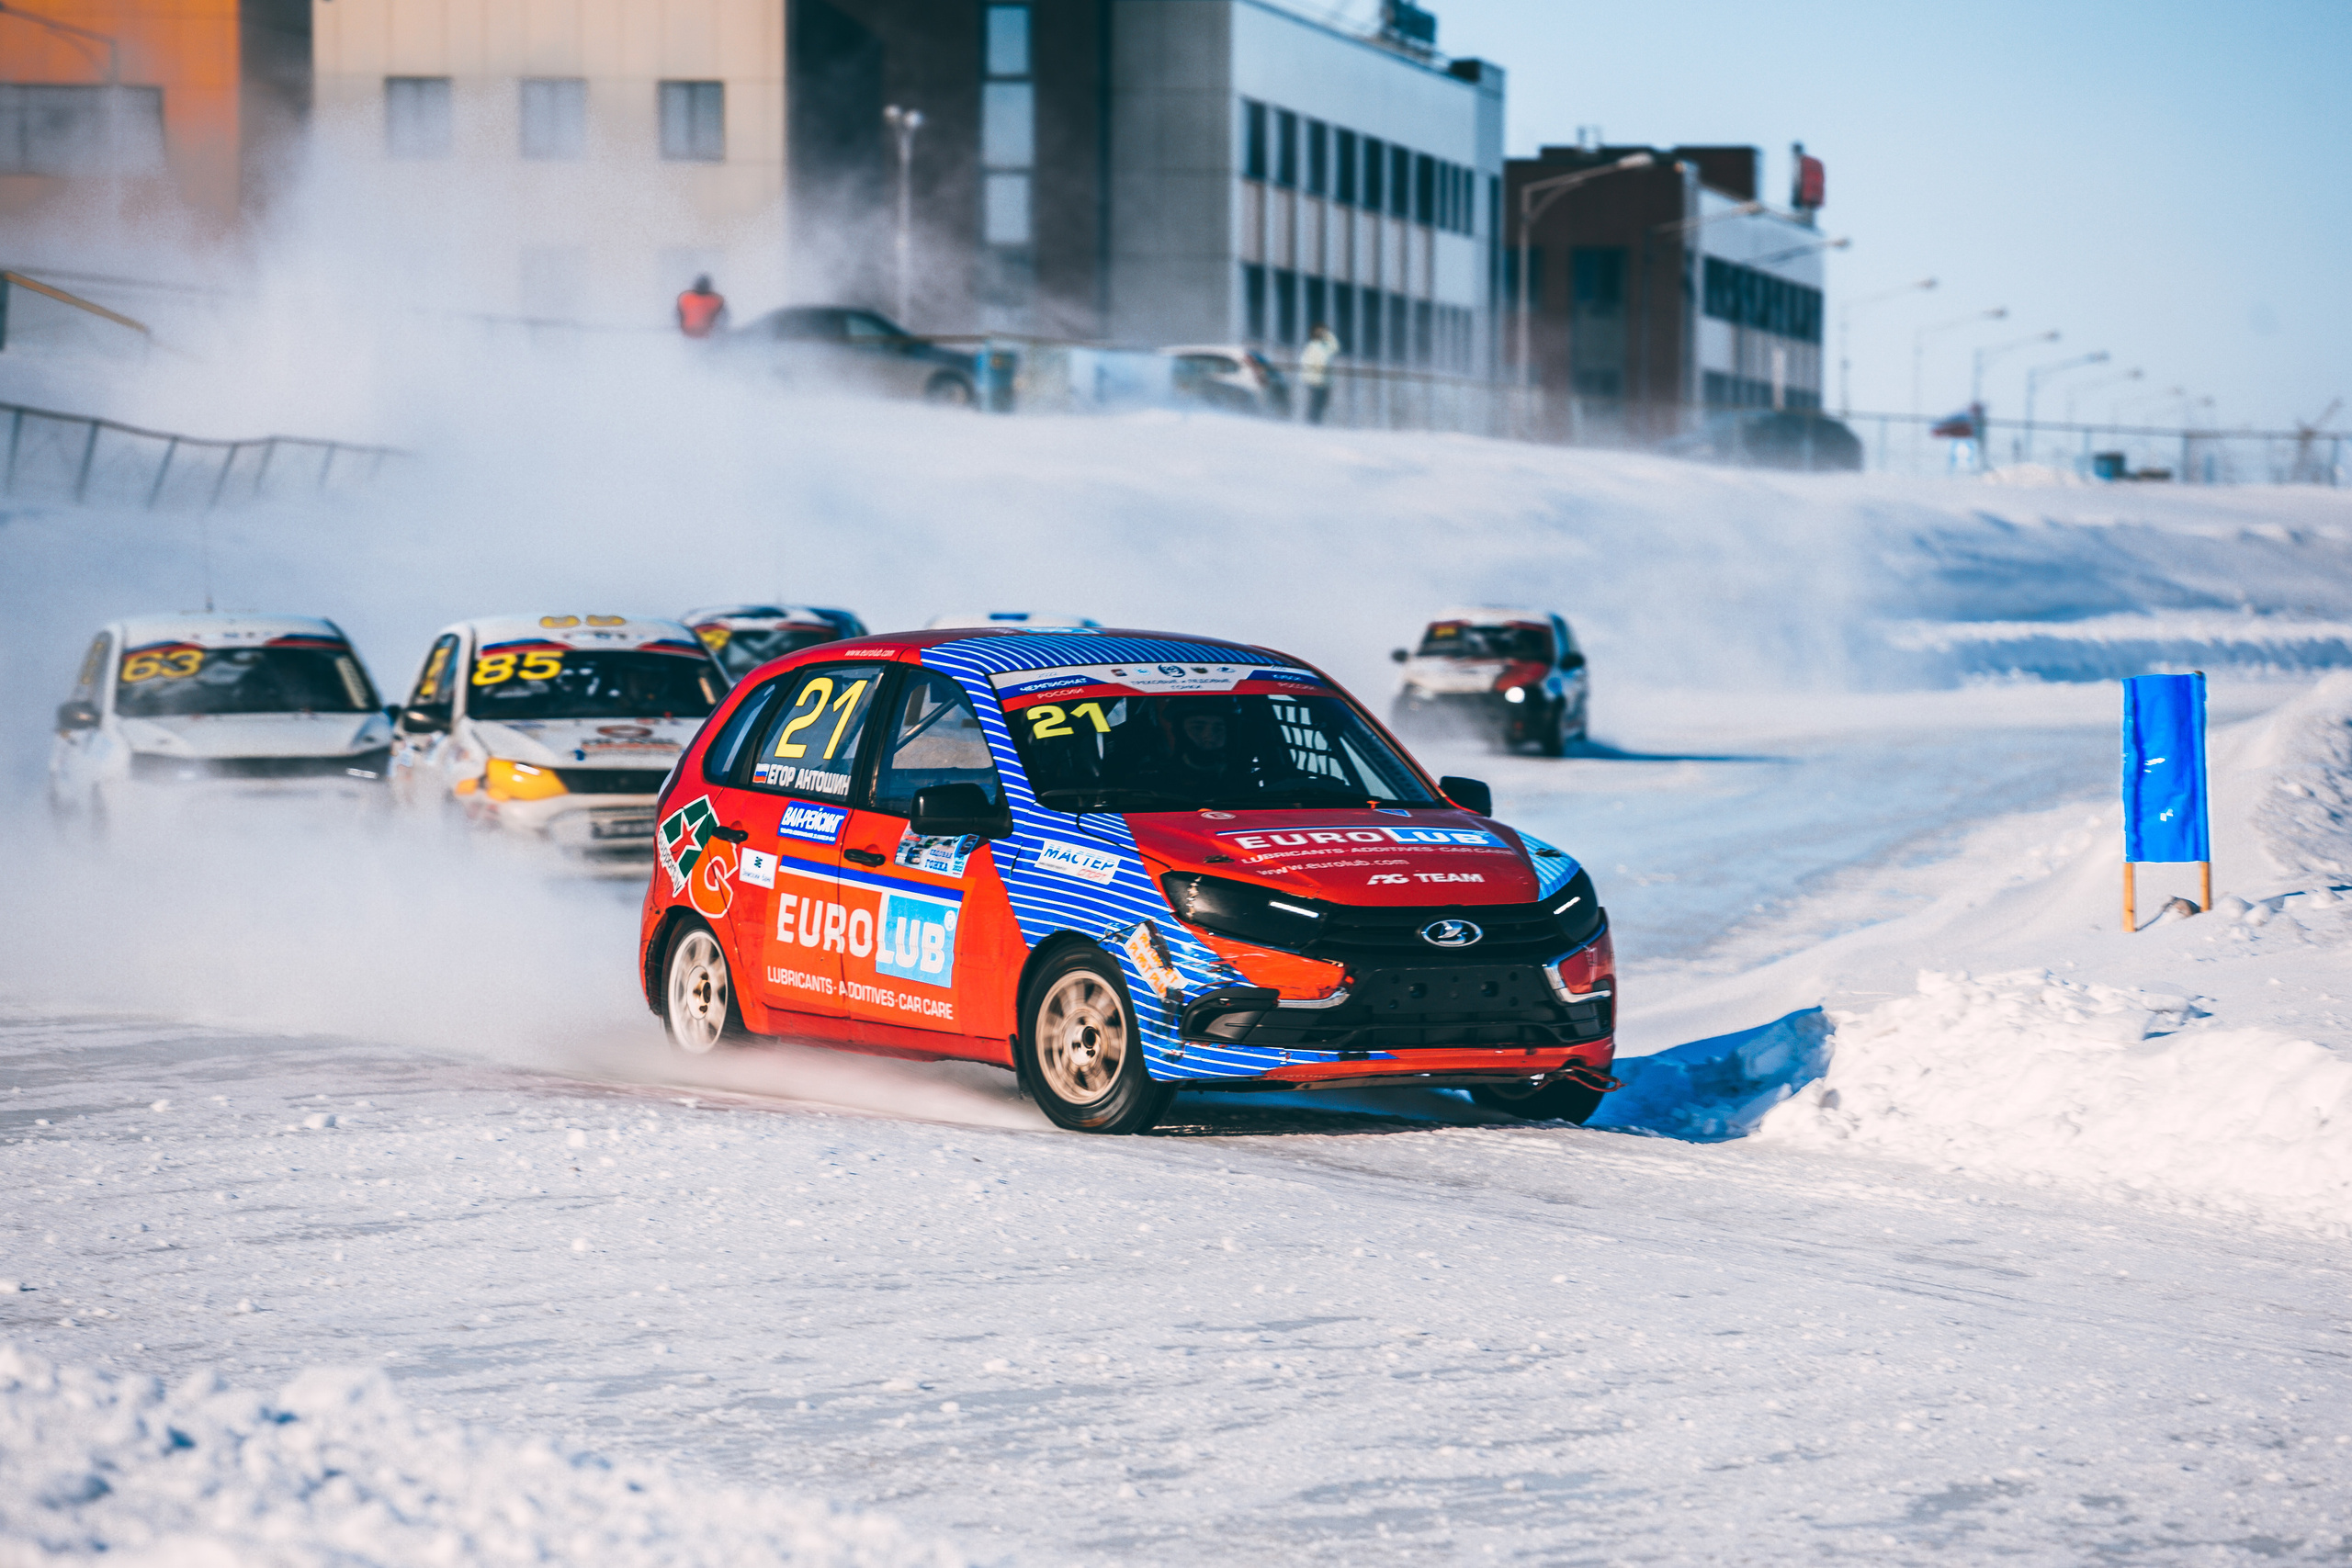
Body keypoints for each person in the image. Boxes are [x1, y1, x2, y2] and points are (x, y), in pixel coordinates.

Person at [1300, 322, 1340, 424]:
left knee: (1321, 404)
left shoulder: (1324, 346)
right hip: (1315, 381)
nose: (1322, 333)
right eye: (1320, 331)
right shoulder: (1312, 346)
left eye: (1323, 331)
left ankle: (1315, 423)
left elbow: (1335, 347)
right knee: (1315, 404)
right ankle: (1311, 424)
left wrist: (1328, 335)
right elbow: (1306, 362)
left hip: (1324, 382)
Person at [676, 275, 728, 339]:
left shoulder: (685, 298)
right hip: (707, 335)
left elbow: (677, 316)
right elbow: (724, 318)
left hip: (688, 333)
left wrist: (681, 328)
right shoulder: (715, 300)